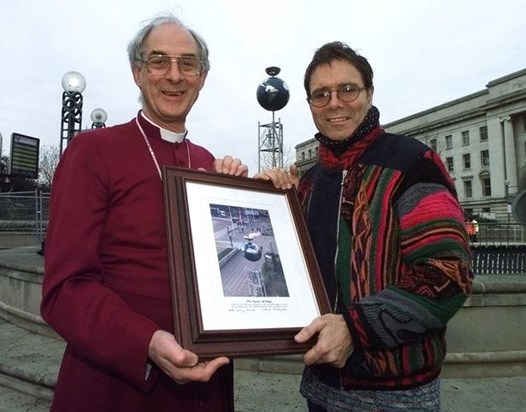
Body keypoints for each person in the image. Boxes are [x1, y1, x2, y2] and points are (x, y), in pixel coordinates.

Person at [41, 14, 247, 412]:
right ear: (138, 72)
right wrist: (146, 342)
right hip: (117, 385)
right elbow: (64, 289)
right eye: (158, 61)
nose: (174, 75)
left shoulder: (206, 162)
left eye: (187, 63)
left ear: (202, 77)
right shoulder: (92, 151)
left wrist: (254, 193)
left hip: (206, 387)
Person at [259, 42, 473, 411]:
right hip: (320, 386)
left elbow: (448, 273)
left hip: (396, 394)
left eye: (347, 89)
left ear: (369, 93)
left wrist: (355, 329)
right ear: (310, 105)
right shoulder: (308, 183)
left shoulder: (413, 163)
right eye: (321, 94)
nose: (335, 103)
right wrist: (274, 206)